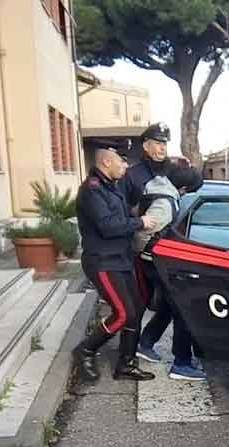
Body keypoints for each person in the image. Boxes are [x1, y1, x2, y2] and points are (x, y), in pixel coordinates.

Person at [73, 147, 157, 382]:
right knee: (123, 313)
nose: (125, 167)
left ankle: (126, 364)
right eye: (121, 162)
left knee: (137, 309)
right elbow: (108, 226)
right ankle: (86, 351)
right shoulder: (92, 190)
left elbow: (134, 195)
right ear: (106, 162)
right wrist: (139, 222)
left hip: (121, 259)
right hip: (103, 261)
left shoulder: (113, 186)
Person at [134, 162, 207, 381]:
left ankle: (145, 343)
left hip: (154, 260)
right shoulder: (165, 204)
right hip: (155, 262)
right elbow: (141, 233)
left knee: (168, 305)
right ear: (183, 188)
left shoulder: (159, 189)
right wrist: (147, 254)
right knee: (184, 309)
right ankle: (181, 363)